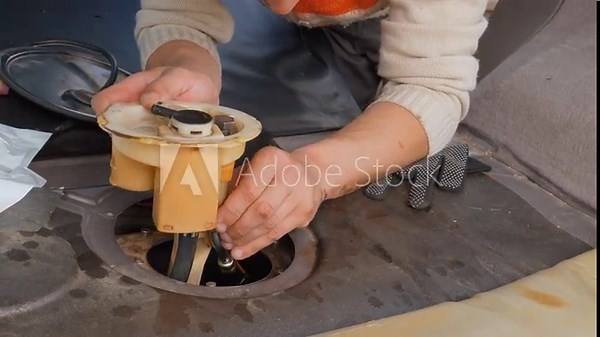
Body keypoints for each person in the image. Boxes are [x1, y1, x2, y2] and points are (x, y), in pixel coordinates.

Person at [4, 0, 490, 261]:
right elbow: (178, 15)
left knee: (377, 134)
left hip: (407, 20)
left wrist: (320, 171)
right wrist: (185, 66)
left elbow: (432, 85)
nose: (276, 5)